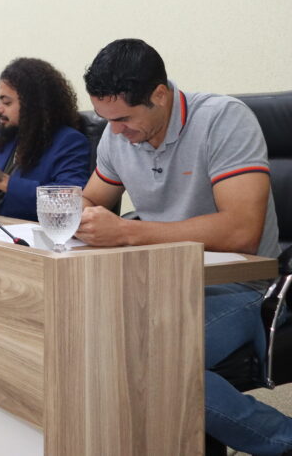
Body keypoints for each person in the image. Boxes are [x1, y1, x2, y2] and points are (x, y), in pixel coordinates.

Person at [77, 38, 289, 455]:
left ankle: (283, 440)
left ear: (159, 94)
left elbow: (241, 230)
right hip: (161, 281)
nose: (115, 131)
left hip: (241, 286)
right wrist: (81, 217)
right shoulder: (118, 135)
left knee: (148, 358)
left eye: (124, 118)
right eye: (106, 119)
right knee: (93, 340)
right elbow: (89, 198)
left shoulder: (223, 119)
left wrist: (127, 232)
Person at [0, 57, 90, 221]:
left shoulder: (69, 142)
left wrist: (3, 181)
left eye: (7, 102)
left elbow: (69, 200)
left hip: (27, 231)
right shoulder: (2, 135)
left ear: (34, 105)